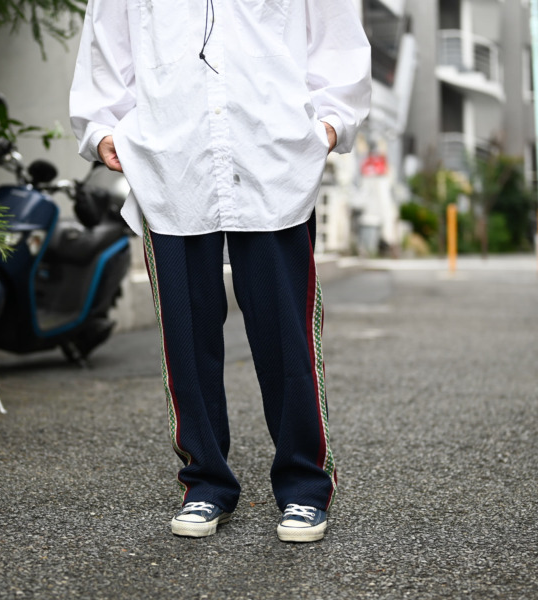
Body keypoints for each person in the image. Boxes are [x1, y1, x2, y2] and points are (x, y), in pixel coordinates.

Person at [70, 0, 371, 543]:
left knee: (287, 335)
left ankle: (304, 487)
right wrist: (101, 129)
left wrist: (329, 124)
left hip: (273, 162)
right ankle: (205, 483)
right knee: (185, 336)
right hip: (170, 163)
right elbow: (104, 46)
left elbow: (337, 39)